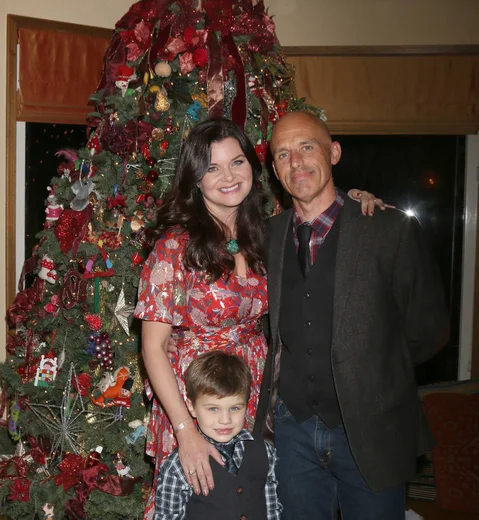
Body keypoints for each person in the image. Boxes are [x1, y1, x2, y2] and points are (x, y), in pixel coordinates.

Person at [135, 117, 380, 517]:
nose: (228, 176)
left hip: (254, 400)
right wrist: (185, 431)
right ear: (195, 179)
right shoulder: (174, 248)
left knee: (252, 505)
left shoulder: (268, 236)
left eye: (237, 162)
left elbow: (324, 223)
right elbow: (153, 347)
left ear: (254, 167)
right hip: (196, 402)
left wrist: (356, 200)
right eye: (212, 168)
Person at [255, 111, 450, 520]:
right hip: (292, 432)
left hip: (371, 429)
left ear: (335, 152)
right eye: (284, 154)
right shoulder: (266, 237)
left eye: (308, 147)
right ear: (274, 169)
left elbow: (429, 331)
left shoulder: (389, 230)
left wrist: (373, 371)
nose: (297, 162)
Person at [154, 350, 282, 520]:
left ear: (247, 404)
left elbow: (272, 509)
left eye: (235, 408)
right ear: (191, 407)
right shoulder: (177, 467)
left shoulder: (266, 453)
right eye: (213, 409)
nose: (225, 420)